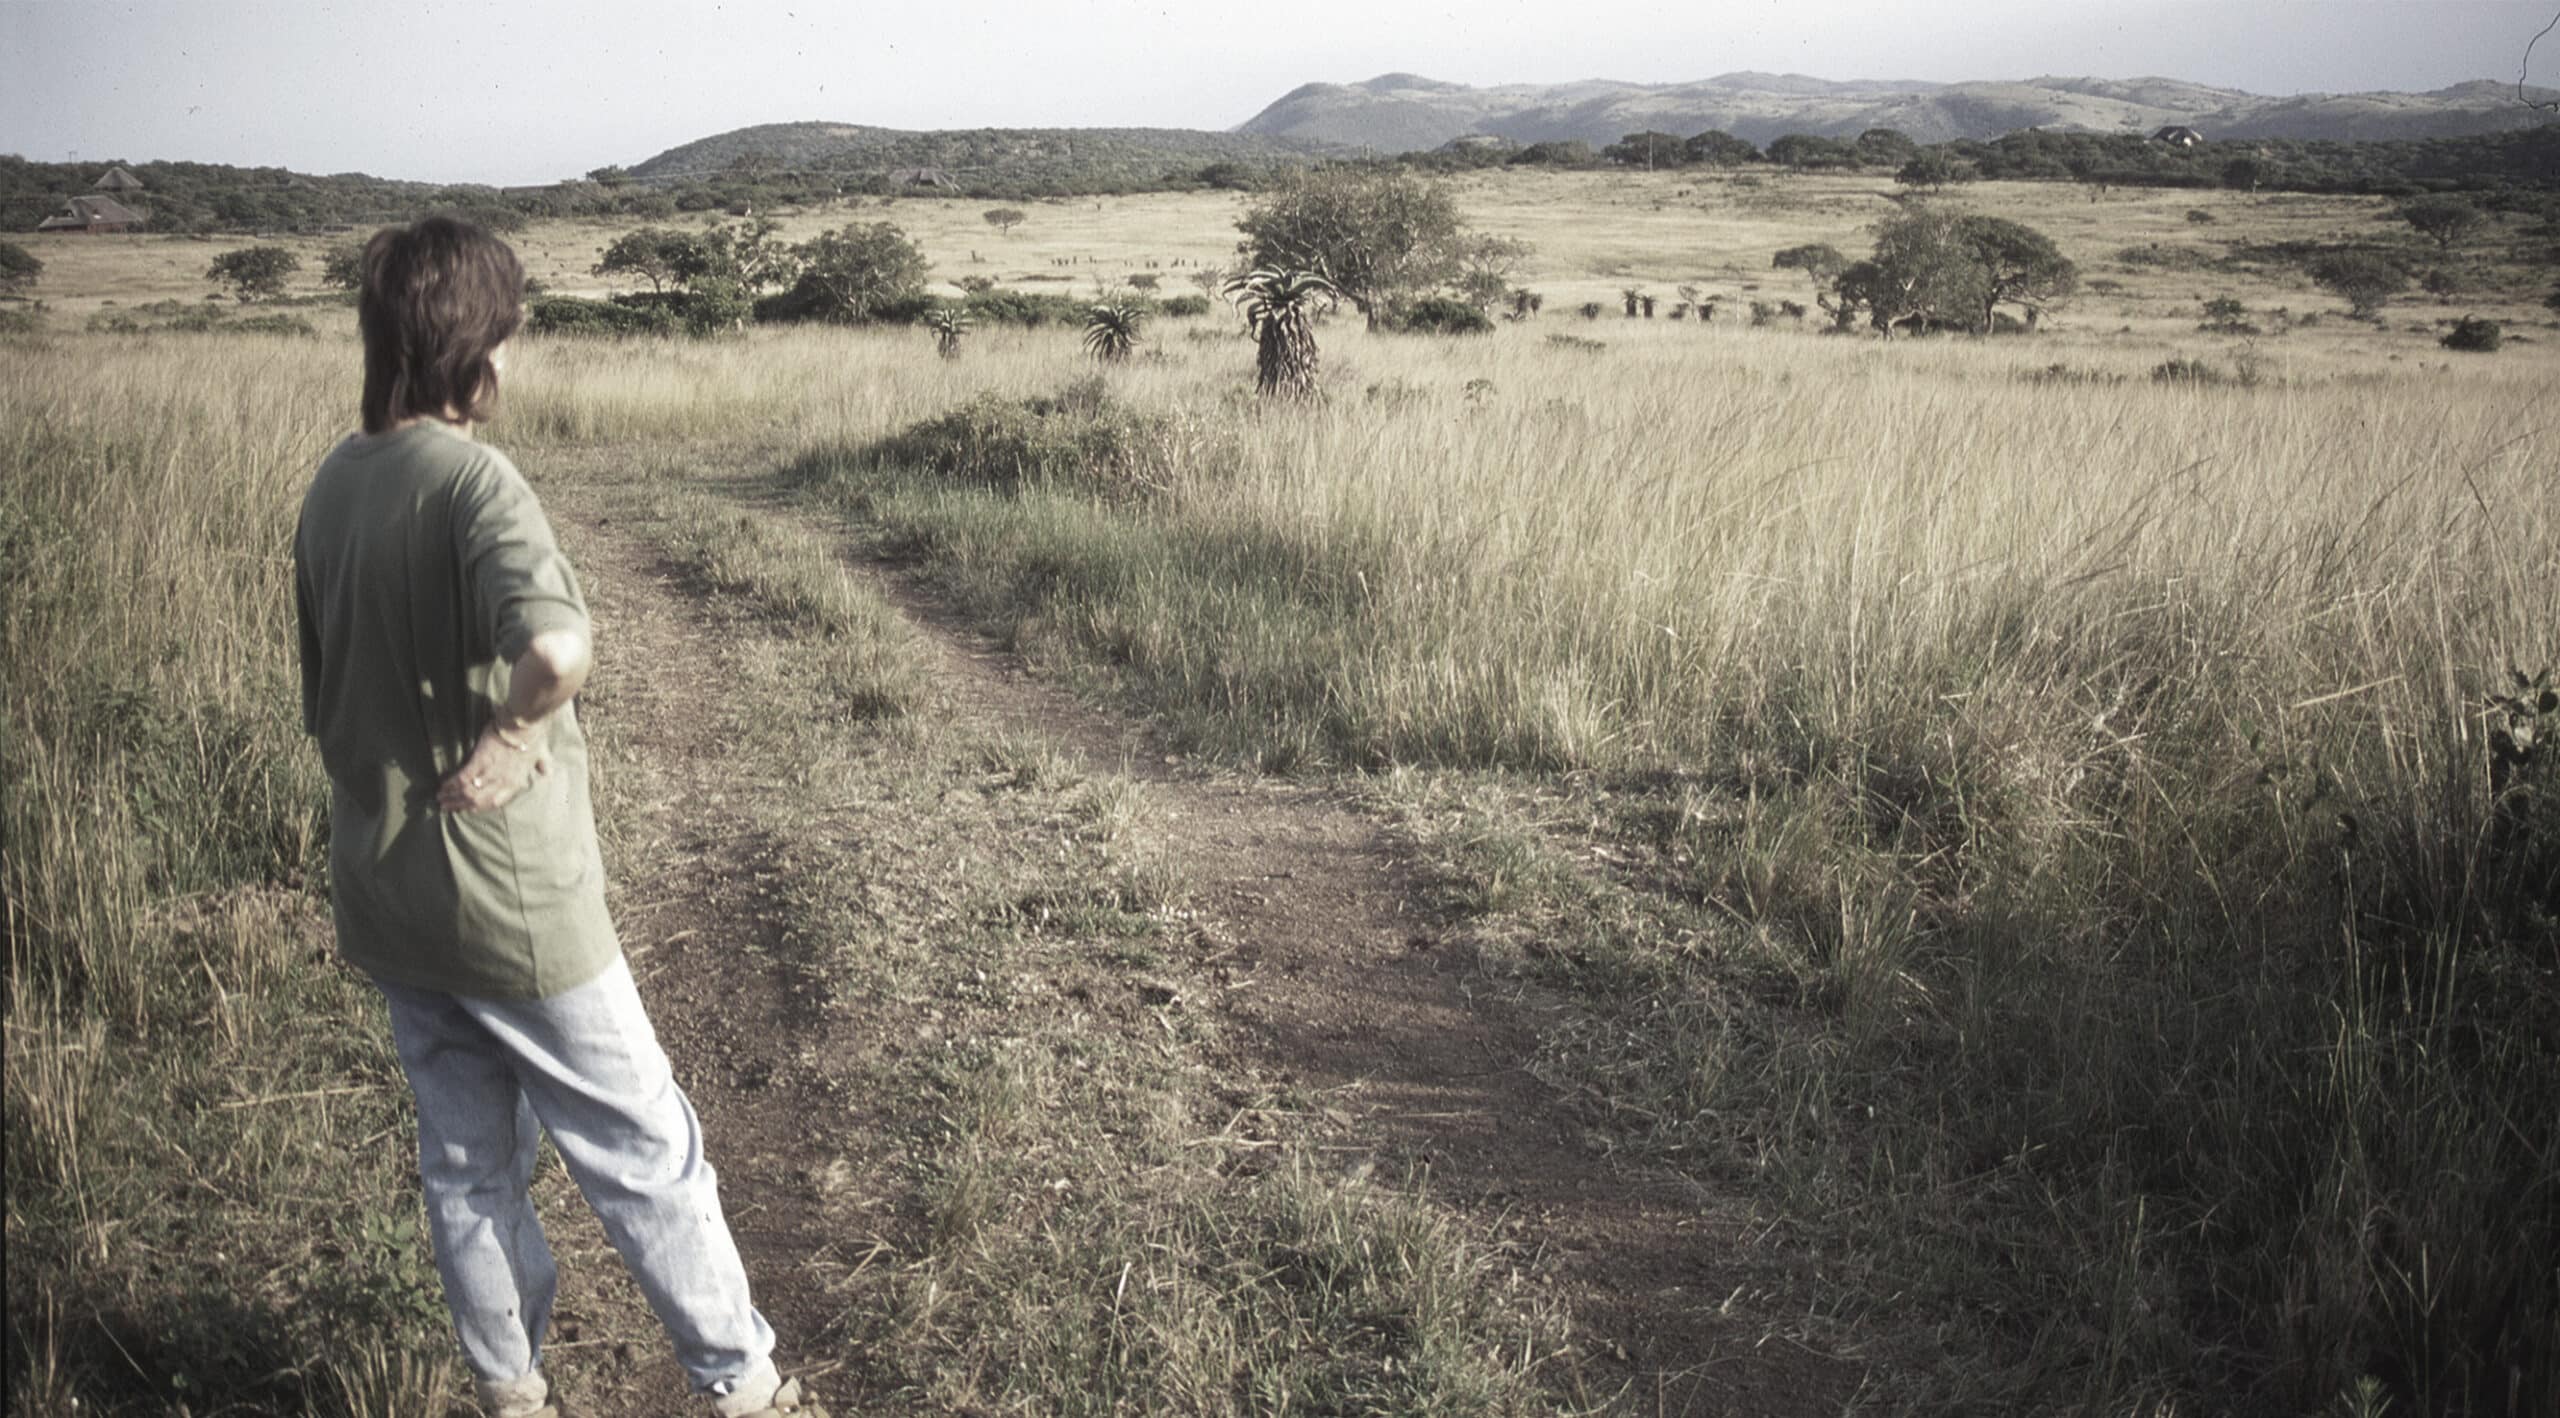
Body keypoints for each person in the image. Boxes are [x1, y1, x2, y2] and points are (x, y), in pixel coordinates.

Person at [294, 216, 820, 1418]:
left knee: (467, 1165)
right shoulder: (472, 479)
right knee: (644, 1146)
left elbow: (325, 696)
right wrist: (511, 736)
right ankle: (746, 1387)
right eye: (507, 335)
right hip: (512, 900)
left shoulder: (335, 481)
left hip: (388, 891)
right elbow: (558, 644)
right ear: (474, 349)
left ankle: (511, 1391)